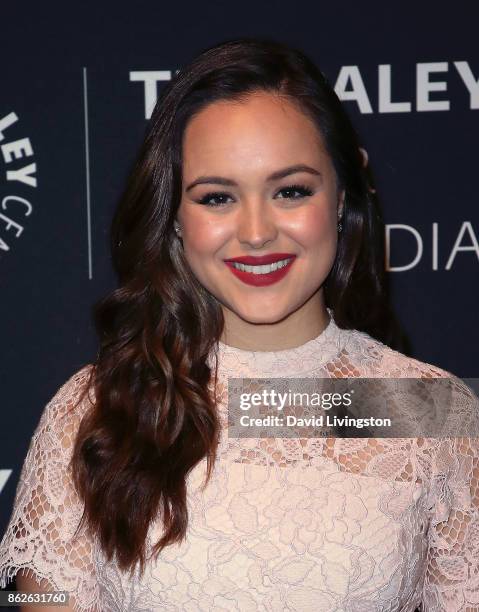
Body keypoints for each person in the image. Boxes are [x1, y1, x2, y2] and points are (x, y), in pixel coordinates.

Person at [0, 37, 478, 612]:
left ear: (346, 190)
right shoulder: (93, 411)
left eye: (291, 190)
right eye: (217, 197)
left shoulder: (425, 407)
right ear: (174, 215)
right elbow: (39, 592)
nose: (255, 232)